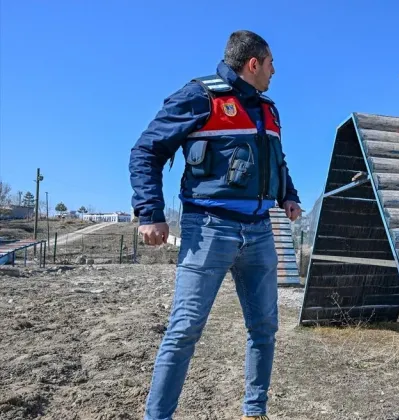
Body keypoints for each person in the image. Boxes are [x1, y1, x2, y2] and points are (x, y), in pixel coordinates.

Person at [128, 29, 301, 420]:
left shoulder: (269, 110)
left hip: (259, 231)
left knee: (264, 329)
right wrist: (150, 212)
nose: (275, 70)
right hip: (208, 229)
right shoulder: (198, 96)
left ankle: (254, 412)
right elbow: (145, 151)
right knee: (184, 330)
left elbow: (277, 160)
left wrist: (288, 194)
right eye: (271, 63)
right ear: (253, 64)